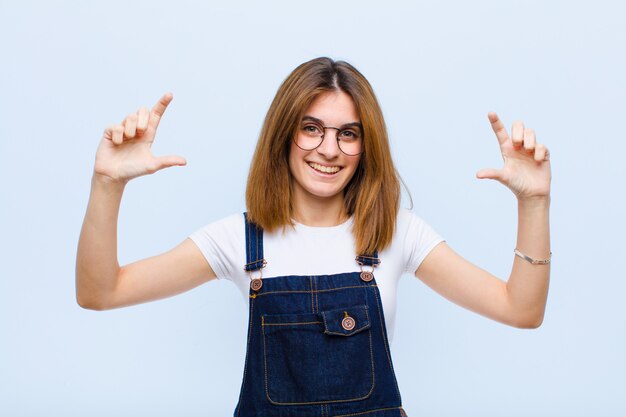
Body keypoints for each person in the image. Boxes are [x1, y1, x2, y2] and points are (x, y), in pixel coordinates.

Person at [76, 57, 551, 416]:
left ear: (366, 147)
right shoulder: (238, 241)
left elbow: (521, 310)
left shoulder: (396, 233)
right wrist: (107, 183)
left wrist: (533, 203)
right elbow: (100, 293)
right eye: (311, 129)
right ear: (284, 135)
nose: (329, 149)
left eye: (348, 133)